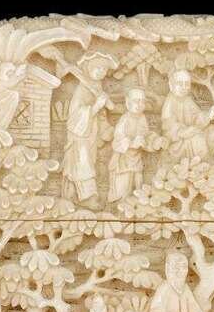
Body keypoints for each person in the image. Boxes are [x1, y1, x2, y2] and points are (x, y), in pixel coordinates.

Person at [62, 52, 116, 205]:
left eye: (103, 69)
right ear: (88, 68)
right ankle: (88, 197)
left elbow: (108, 109)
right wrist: (96, 106)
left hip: (91, 133)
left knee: (88, 161)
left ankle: (74, 194)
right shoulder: (82, 89)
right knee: (83, 162)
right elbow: (76, 114)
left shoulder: (96, 87)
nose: (100, 72)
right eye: (97, 68)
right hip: (80, 133)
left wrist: (104, 103)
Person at [161, 68, 214, 162]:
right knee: (197, 138)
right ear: (171, 85)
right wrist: (186, 131)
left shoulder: (188, 100)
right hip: (178, 142)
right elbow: (170, 129)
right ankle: (203, 161)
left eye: (186, 84)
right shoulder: (170, 103)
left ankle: (208, 158)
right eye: (180, 83)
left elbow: (197, 116)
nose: (184, 87)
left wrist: (208, 115)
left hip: (192, 132)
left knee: (212, 131)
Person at [108, 88, 155, 203]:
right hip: (123, 161)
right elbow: (118, 140)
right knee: (123, 191)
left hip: (137, 160)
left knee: (138, 188)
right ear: (128, 103)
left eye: (142, 101)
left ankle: (137, 208)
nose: (139, 105)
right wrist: (132, 143)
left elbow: (145, 135)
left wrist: (151, 141)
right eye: (136, 101)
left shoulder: (142, 118)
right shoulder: (124, 120)